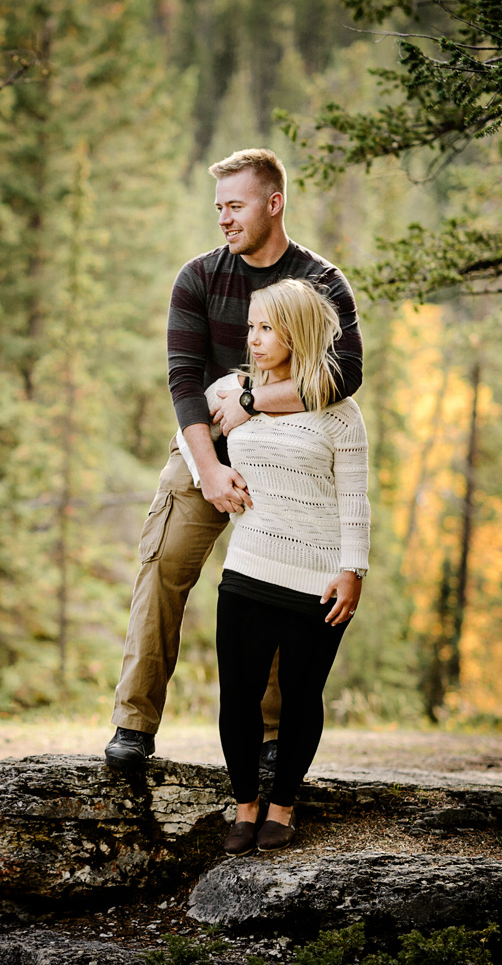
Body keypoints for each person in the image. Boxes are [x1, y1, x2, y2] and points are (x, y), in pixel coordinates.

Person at [104, 148, 364, 770]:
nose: (223, 218)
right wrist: (211, 469)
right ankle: (133, 725)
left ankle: (273, 741)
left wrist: (251, 399)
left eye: (235, 205)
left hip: (287, 455)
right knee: (163, 560)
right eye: (218, 207)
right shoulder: (198, 278)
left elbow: (345, 374)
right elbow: (183, 380)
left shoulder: (322, 282)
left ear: (274, 204)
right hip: (204, 446)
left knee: (277, 582)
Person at [215, 277, 369, 854]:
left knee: (302, 697)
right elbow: (192, 437)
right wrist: (213, 470)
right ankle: (244, 806)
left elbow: (355, 497)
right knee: (239, 695)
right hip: (248, 567)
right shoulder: (235, 393)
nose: (253, 339)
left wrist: (353, 569)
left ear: (297, 332)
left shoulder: (339, 411)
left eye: (267, 328)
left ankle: (282, 807)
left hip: (318, 578)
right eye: (250, 327)